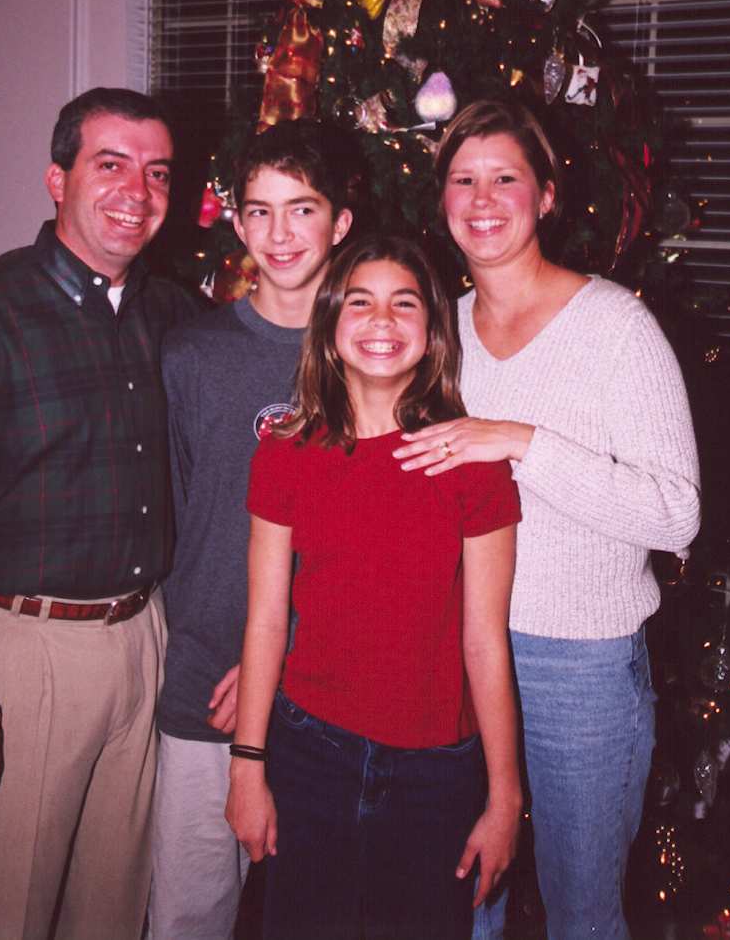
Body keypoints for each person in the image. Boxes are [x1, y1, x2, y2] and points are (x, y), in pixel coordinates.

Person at [393, 98, 701, 940]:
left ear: (547, 194)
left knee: (581, 915)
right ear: (440, 197)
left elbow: (675, 514)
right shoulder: (436, 330)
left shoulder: (614, 326)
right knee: (462, 900)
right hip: (456, 650)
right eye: (462, 179)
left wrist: (520, 441)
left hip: (581, 665)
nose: (482, 199)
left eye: (505, 178)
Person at [225, 234, 523, 940]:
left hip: (436, 773)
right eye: (359, 302)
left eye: (404, 303)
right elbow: (265, 620)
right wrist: (246, 766)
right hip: (310, 756)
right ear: (330, 324)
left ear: (433, 331)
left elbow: (485, 640)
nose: (381, 320)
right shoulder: (285, 453)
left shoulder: (472, 466)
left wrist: (504, 796)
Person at [0, 87, 200, 940]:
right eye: (111, 164)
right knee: (3, 911)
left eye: (157, 172)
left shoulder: (172, 315)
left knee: (111, 910)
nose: (137, 190)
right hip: (19, 655)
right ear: (57, 179)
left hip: (143, 641)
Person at [149, 119, 353, 939]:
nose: (280, 232)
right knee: (189, 912)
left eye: (302, 209)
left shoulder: (370, 356)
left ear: (340, 222)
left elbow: (378, 542)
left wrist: (284, 655)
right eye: (260, 211)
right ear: (235, 221)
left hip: (325, 684)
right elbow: (176, 516)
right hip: (202, 684)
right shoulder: (191, 353)